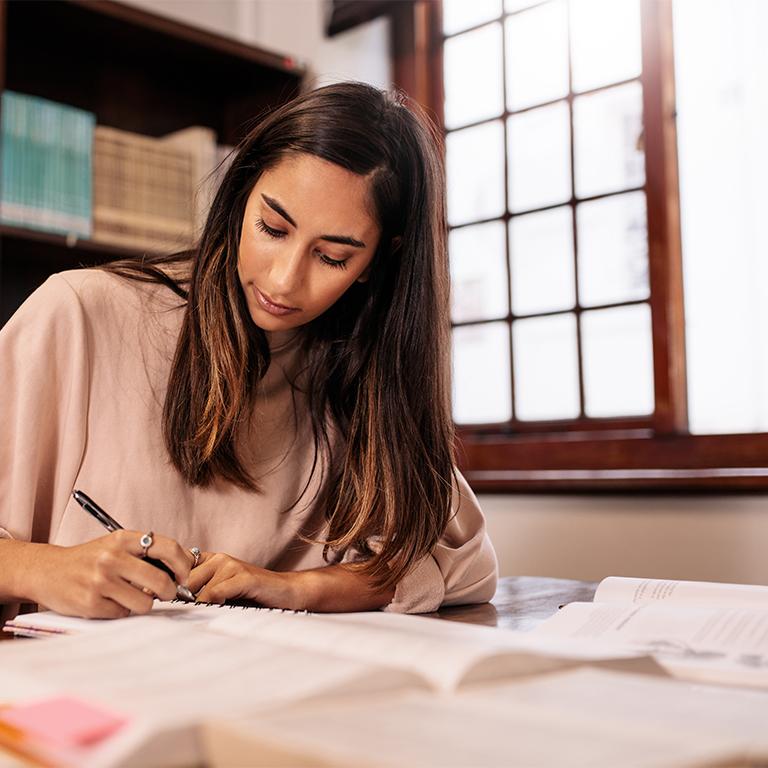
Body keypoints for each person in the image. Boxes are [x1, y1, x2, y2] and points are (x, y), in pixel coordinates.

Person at [0, 81, 498, 625]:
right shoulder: (78, 316)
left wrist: (292, 587)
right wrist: (41, 567)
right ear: (241, 194)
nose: (284, 282)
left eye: (332, 257)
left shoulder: (364, 370)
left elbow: (463, 564)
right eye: (272, 227)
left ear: (377, 263)